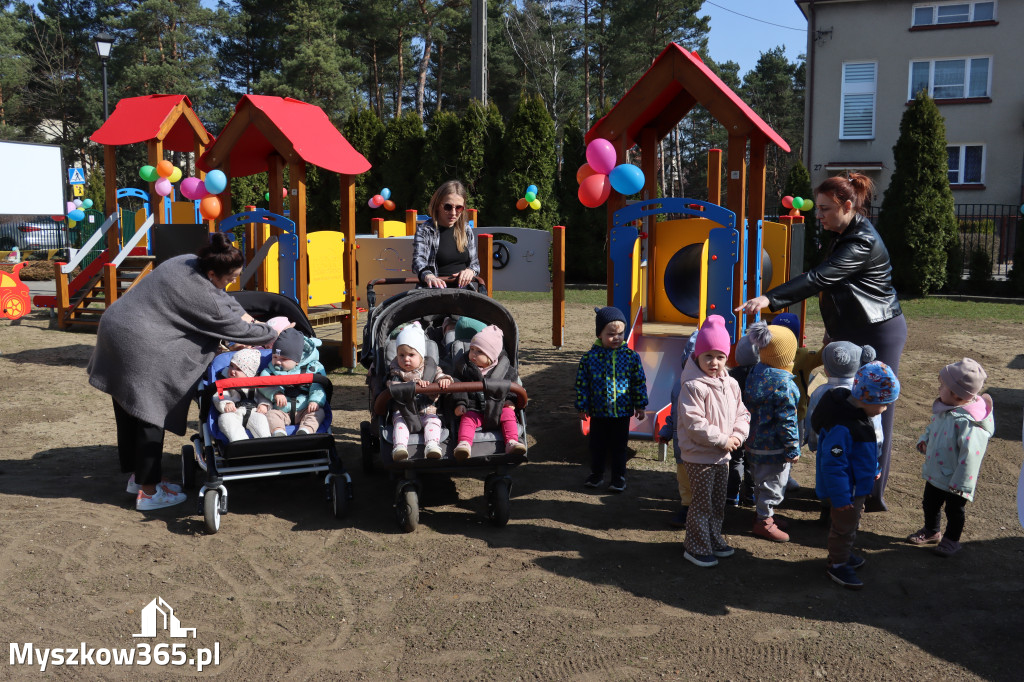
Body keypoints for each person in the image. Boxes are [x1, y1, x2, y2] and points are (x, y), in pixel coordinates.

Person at [736, 173, 906, 512]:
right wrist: (834, 329)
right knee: (845, 404)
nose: (819, 215)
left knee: (874, 410)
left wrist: (770, 298)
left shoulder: (861, 241)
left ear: (848, 205)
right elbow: (839, 288)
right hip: (853, 327)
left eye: (826, 209)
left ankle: (870, 494)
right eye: (819, 208)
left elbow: (820, 278)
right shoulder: (844, 233)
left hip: (878, 330)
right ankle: (842, 485)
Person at [87, 232, 277, 511]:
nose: (233, 282)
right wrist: (272, 331)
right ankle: (149, 493)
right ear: (212, 272)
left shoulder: (187, 261)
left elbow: (224, 300)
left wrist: (248, 315)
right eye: (230, 277)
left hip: (116, 328)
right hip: (139, 343)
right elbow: (238, 329)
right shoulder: (202, 296)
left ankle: (138, 478)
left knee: (128, 408)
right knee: (150, 411)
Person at [812, 362, 900, 589]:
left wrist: (875, 470)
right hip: (846, 493)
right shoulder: (843, 426)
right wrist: (841, 498)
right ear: (868, 399)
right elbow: (833, 465)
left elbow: (864, 452)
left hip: (855, 488)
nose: (887, 408)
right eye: (885, 404)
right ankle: (837, 564)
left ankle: (843, 553)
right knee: (843, 527)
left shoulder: (859, 416)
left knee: (851, 524)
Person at [676, 315, 750, 568]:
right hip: (700, 456)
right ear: (697, 356)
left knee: (718, 503)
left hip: (722, 455)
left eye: (720, 356)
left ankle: (712, 538)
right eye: (708, 356)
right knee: (701, 504)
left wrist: (737, 436)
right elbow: (695, 425)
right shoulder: (693, 386)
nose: (714, 362)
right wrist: (722, 440)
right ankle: (695, 547)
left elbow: (742, 413)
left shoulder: (731, 384)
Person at [907, 358, 994, 558]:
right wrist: (925, 440)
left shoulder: (970, 424)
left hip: (955, 479)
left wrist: (962, 484)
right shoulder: (946, 410)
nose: (938, 389)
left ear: (956, 393)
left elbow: (971, 456)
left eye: (942, 386)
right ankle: (931, 531)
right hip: (937, 471)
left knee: (954, 511)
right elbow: (933, 428)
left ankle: (952, 540)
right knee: (930, 503)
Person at [575, 306, 648, 493]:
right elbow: (582, 384)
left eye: (620, 333)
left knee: (619, 447)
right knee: (597, 446)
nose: (616, 337)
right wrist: (582, 406)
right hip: (598, 412)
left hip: (622, 412)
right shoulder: (589, 358)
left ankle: (618, 478)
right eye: (611, 334)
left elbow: (638, 381)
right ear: (599, 334)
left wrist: (640, 405)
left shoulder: (631, 357)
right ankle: (597, 475)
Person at [744, 322, 800, 543]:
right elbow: (787, 420)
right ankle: (764, 522)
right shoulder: (785, 385)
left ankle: (765, 515)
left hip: (753, 441)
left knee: (760, 481)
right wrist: (792, 447)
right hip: (775, 447)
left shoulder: (755, 373)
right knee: (774, 485)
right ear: (787, 356)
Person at [451, 324, 526, 461]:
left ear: (491, 356)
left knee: (509, 414)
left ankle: (512, 442)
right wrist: (460, 403)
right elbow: (457, 385)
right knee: (467, 419)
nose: (473, 354)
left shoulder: (505, 370)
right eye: (472, 349)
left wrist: (511, 400)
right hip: (474, 408)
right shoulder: (464, 368)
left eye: (479, 352)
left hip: (498, 407)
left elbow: (513, 386)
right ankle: (464, 444)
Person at [387, 321, 451, 461]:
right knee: (399, 424)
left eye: (411, 355)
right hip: (404, 411)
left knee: (434, 422)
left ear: (421, 355)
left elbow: (439, 375)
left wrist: (443, 380)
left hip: (427, 410)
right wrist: (413, 384)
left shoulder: (431, 369)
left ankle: (432, 445)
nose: (406, 359)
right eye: (401, 355)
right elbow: (392, 384)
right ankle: (400, 447)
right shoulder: (397, 371)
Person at [656, 331, 697, 528]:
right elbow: (674, 414)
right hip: (681, 445)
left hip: (703, 447)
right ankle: (687, 507)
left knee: (702, 479)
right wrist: (666, 430)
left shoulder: (716, 387)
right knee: (684, 479)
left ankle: (703, 509)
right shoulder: (678, 387)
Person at [256, 328, 327, 437]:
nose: (277, 362)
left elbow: (317, 387)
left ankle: (306, 430)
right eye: (275, 357)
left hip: (305, 408)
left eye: (283, 359)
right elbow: (263, 385)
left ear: (297, 360)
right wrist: (276, 393)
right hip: (282, 410)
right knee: (271, 414)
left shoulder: (311, 368)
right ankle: (278, 431)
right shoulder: (269, 371)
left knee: (319, 412)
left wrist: (315, 401)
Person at [412, 180, 480, 289]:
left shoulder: (466, 229)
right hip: (434, 292)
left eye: (459, 207)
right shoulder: (425, 230)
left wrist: (470, 271)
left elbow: (475, 264)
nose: (453, 213)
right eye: (448, 207)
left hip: (463, 292)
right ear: (438, 205)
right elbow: (419, 261)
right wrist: (429, 276)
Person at [213, 347, 271, 442]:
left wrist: (264, 404)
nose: (232, 371)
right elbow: (219, 394)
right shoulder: (225, 381)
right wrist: (226, 403)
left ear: (249, 373)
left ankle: (266, 443)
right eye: (231, 366)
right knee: (226, 419)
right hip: (233, 412)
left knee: (261, 420)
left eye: (238, 369)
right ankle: (240, 443)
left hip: (254, 412)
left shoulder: (256, 383)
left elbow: (264, 395)